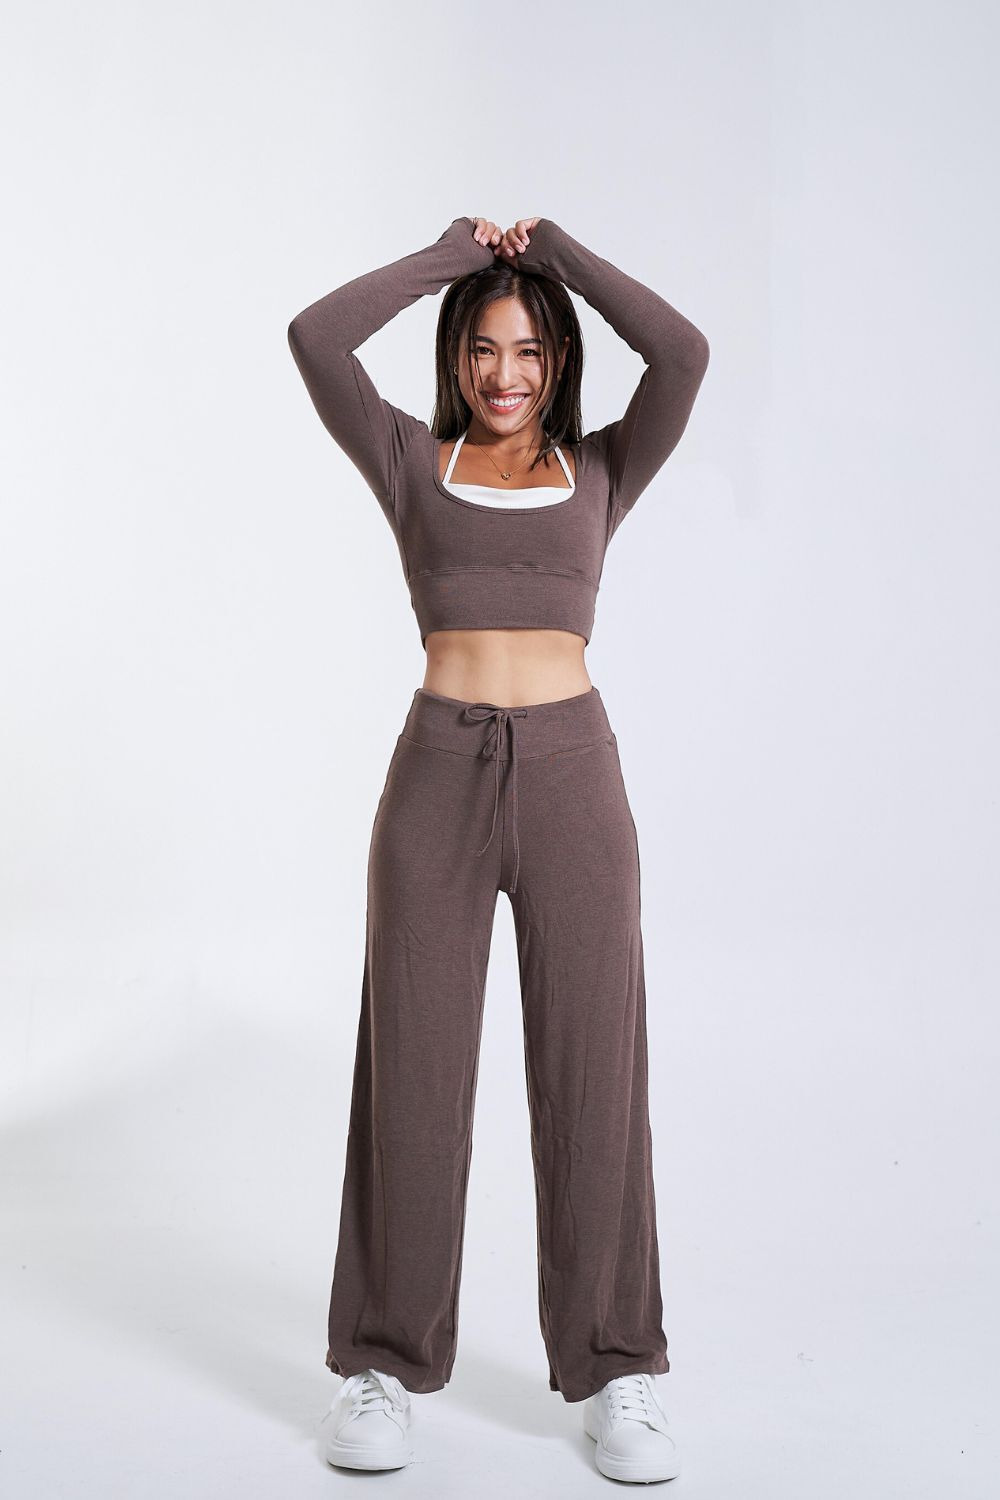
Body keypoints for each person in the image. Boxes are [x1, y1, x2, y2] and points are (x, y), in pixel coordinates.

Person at [287, 214, 709, 1482]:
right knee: (413, 1073)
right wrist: (452, 256)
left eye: (528, 350)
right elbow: (315, 337)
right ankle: (380, 1362)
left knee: (594, 1073)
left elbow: (683, 354)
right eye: (482, 348)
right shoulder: (411, 461)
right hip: (437, 775)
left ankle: (616, 1368)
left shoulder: (603, 470)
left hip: (576, 776)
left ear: (558, 359)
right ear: (455, 359)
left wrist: (554, 256)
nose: (506, 372)